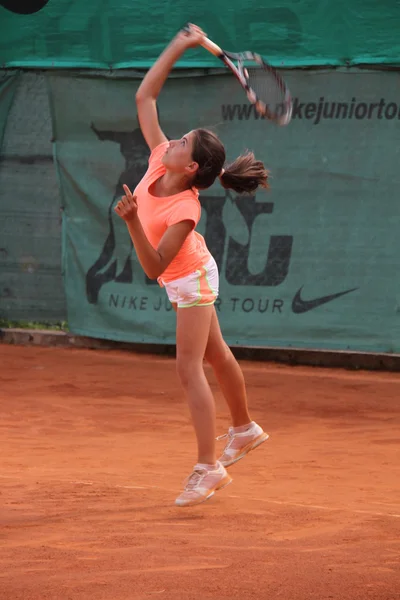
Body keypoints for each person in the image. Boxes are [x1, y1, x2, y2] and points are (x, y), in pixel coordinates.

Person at [114, 24, 269, 507]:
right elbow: (145, 97)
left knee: (190, 368)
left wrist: (135, 222)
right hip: (186, 273)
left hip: (190, 277)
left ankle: (209, 467)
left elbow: (156, 268)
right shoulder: (162, 161)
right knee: (216, 355)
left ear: (192, 169)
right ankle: (244, 429)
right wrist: (180, 46)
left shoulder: (187, 208)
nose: (173, 141)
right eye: (178, 138)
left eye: (182, 143)